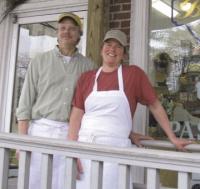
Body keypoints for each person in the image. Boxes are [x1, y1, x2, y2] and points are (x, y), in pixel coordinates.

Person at [67, 29, 193, 189]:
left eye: (118, 46)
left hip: (116, 153)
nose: (112, 49)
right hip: (84, 150)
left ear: (124, 54)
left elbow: (155, 105)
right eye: (108, 44)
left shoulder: (133, 74)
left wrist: (172, 137)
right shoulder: (86, 78)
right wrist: (71, 151)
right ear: (101, 49)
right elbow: (76, 116)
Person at [16, 12, 95, 189]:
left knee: (65, 184)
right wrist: (22, 142)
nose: (66, 32)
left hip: (71, 135)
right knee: (34, 183)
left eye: (72, 29)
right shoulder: (39, 61)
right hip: (40, 132)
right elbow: (25, 104)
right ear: (57, 32)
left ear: (79, 35)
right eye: (62, 28)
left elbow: (92, 107)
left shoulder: (89, 67)